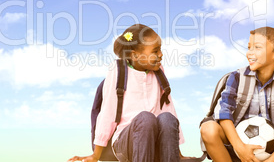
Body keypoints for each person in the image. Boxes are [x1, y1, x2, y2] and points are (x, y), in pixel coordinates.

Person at [68, 24, 192, 162]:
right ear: (135, 55)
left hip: (155, 142)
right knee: (146, 118)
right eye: (155, 51)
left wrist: (177, 153)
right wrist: (95, 155)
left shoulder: (158, 72)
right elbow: (107, 112)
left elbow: (169, 109)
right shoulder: (118, 71)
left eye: (160, 50)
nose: (161, 54)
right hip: (126, 141)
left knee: (167, 117)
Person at [200, 27, 274, 162]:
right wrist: (240, 148)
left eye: (257, 47)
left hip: (272, 147)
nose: (249, 53)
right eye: (249, 47)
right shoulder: (236, 77)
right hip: (235, 143)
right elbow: (223, 114)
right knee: (208, 128)